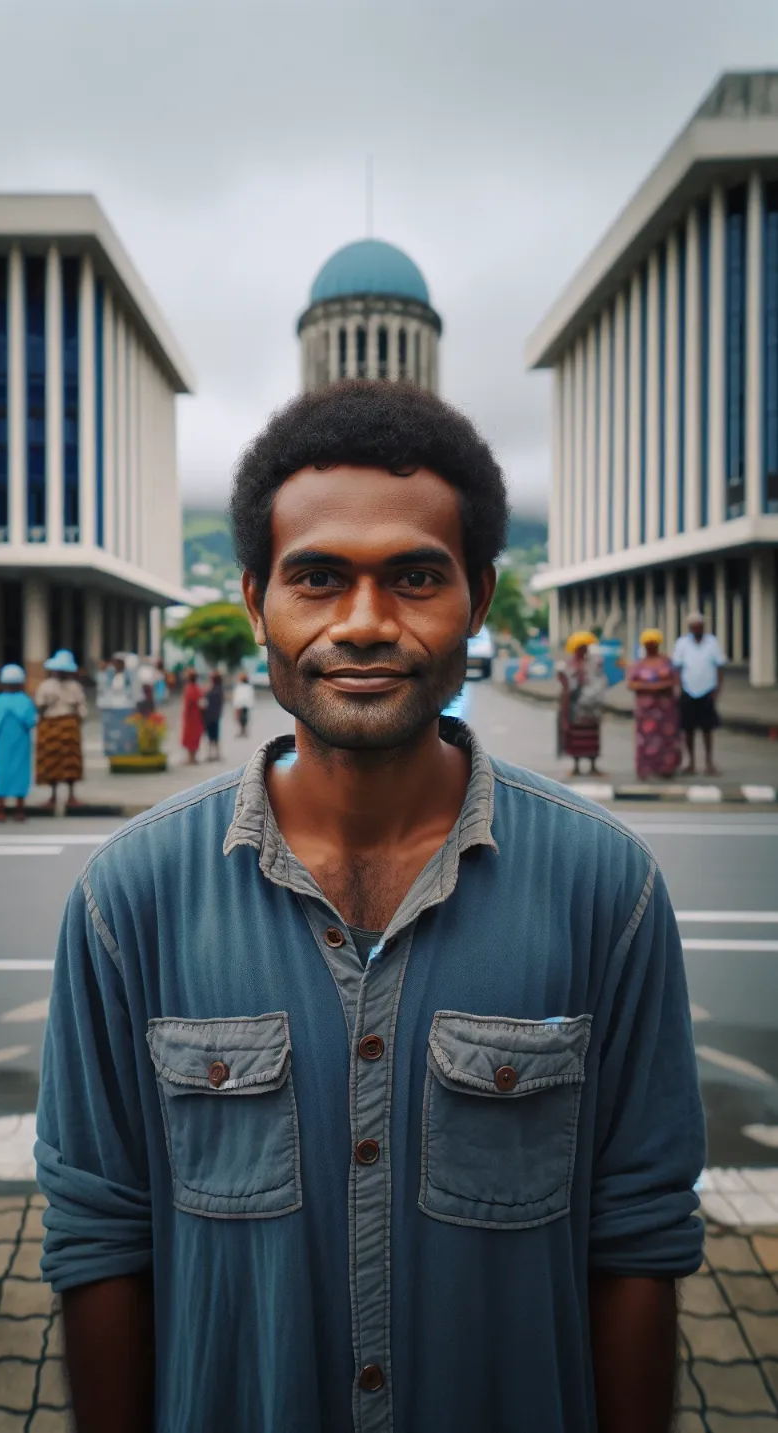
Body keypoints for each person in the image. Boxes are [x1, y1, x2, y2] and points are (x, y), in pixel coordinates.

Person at [36, 382, 704, 1433]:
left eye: (413, 576)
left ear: (478, 599)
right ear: (257, 598)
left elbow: (637, 1241)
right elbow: (102, 1240)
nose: (362, 622)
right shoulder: (129, 900)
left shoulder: (605, 892)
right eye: (317, 577)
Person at [672, 612, 726, 776]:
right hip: (688, 691)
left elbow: (719, 666)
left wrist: (717, 689)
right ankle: (691, 762)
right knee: (688, 729)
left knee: (707, 728)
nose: (697, 629)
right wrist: (678, 688)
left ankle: (709, 762)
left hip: (707, 691)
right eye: (694, 627)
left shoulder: (712, 642)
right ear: (690, 628)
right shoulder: (682, 643)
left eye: (700, 626)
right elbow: (677, 667)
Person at [625, 629, 682, 781]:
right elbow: (630, 684)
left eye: (654, 644)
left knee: (667, 738)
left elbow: (675, 681)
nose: (651, 647)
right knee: (646, 739)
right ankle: (645, 769)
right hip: (646, 711)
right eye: (648, 644)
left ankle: (666, 768)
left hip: (666, 709)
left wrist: (650, 686)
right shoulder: (639, 665)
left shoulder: (666, 662)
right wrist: (654, 687)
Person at [35, 650, 88, 811]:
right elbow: (39, 706)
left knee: (71, 762)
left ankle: (71, 795)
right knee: (51, 761)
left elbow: (81, 709)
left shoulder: (74, 687)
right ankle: (53, 795)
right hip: (52, 724)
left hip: (68, 724)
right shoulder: (46, 686)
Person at [0, 664, 37, 822]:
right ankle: (19, 811)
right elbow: (31, 721)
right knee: (20, 773)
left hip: (2, 744)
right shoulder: (25, 700)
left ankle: (0, 811)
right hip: (21, 743)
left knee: (1, 773)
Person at [556, 630, 608, 776]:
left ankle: (593, 765)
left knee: (591, 736)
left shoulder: (592, 664)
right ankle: (576, 766)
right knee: (576, 737)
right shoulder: (568, 665)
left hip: (591, 708)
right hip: (575, 708)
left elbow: (600, 681)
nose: (584, 650)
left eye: (586, 647)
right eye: (582, 648)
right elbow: (565, 687)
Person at [180, 668, 204, 764]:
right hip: (196, 716)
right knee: (194, 737)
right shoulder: (197, 689)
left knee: (190, 736)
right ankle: (192, 758)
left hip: (190, 717)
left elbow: (189, 703)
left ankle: (190, 758)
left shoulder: (189, 689)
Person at [202, 672, 225, 760]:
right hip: (215, 716)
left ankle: (212, 754)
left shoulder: (213, 690)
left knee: (211, 736)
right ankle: (216, 754)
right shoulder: (219, 689)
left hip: (210, 716)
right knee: (215, 736)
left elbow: (206, 700)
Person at [231, 669, 254, 737]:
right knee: (242, 719)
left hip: (242, 705)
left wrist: (236, 705)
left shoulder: (242, 686)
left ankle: (243, 730)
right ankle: (243, 730)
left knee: (243, 719)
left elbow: (238, 696)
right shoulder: (245, 686)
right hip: (243, 705)